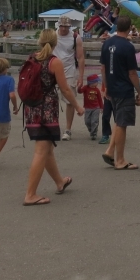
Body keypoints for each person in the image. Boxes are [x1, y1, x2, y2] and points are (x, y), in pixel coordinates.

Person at [23, 30, 81, 206]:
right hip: (46, 110)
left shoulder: (32, 57)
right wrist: (77, 106)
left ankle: (59, 181)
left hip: (31, 107)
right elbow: (64, 89)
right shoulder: (54, 62)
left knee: (47, 149)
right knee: (41, 151)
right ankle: (30, 194)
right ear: (56, 43)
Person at [101, 16, 140, 170]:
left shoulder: (107, 43)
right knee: (122, 124)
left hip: (112, 87)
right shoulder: (128, 47)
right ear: (129, 29)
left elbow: (103, 67)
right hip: (123, 89)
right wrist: (139, 92)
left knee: (118, 121)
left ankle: (109, 151)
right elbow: (132, 72)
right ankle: (120, 160)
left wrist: (105, 86)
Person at [54, 18, 86, 140]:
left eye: (66, 27)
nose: (63, 29)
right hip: (53, 69)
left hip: (69, 70)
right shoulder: (53, 35)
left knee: (70, 100)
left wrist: (81, 76)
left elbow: (81, 57)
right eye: (62, 26)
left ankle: (68, 129)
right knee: (51, 99)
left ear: (70, 27)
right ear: (58, 25)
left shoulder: (75, 37)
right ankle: (53, 125)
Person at [78, 74, 104, 140]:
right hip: (88, 108)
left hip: (96, 108)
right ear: (92, 83)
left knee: (94, 121)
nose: (97, 83)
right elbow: (80, 91)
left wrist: (101, 107)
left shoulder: (97, 90)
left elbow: (100, 99)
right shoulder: (86, 88)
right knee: (87, 121)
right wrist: (79, 87)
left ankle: (94, 133)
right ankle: (91, 130)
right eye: (96, 82)